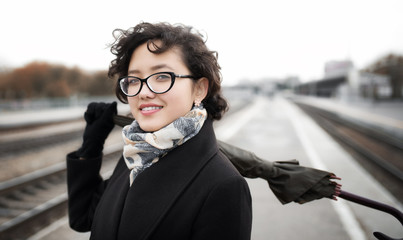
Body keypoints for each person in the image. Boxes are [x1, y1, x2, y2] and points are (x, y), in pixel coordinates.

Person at [67, 22, 252, 240]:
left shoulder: (223, 186)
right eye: (134, 80)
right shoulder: (138, 155)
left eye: (162, 76)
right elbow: (83, 218)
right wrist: (91, 145)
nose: (144, 92)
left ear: (200, 89)